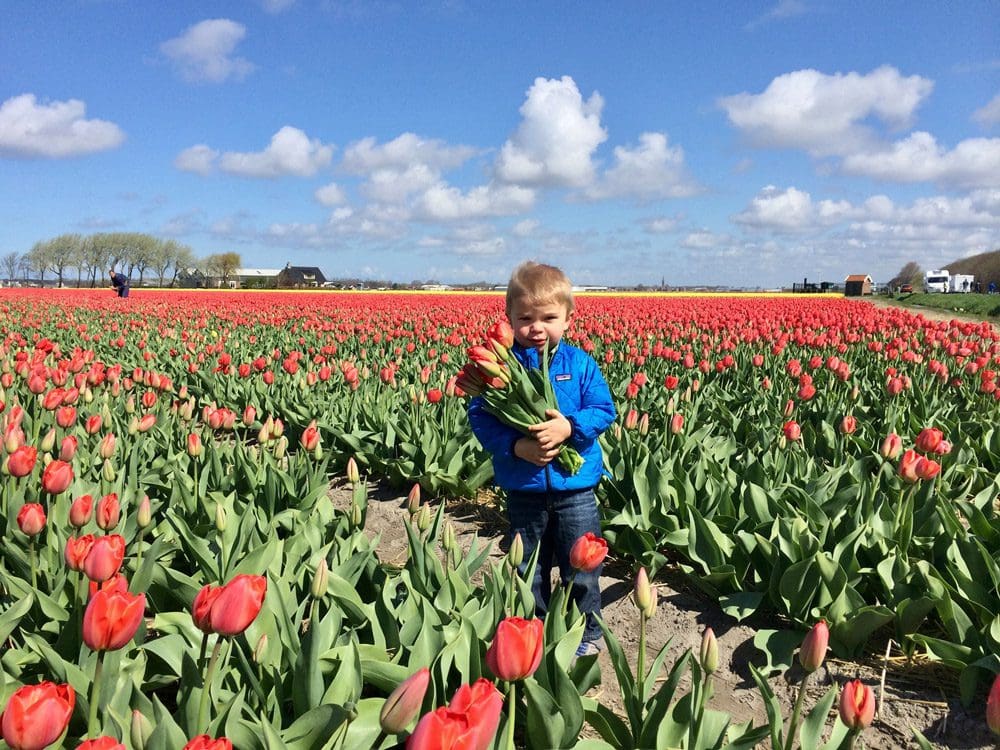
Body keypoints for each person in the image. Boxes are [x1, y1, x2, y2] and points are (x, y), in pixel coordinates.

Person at [468, 261, 616, 657]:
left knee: (581, 567)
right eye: (525, 318)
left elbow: (604, 409)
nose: (537, 327)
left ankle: (584, 632)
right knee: (527, 568)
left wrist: (569, 428)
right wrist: (518, 447)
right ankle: (530, 633)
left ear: (568, 319)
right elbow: (479, 417)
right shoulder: (500, 367)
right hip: (525, 488)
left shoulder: (579, 365)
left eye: (548, 318)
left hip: (576, 489)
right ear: (509, 319)